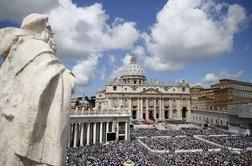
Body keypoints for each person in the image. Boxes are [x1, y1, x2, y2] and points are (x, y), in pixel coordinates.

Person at [0, 13, 75, 166]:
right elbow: (58, 80)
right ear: (44, 31)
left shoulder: (15, 53)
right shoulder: (39, 50)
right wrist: (70, 77)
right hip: (25, 139)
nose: (53, 39)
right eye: (51, 34)